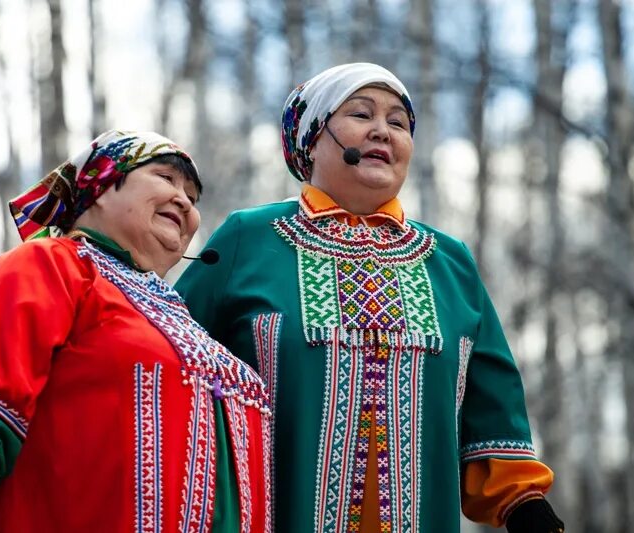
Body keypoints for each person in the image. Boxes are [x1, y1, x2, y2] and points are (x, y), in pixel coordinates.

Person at [175, 64, 564, 532]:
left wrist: (524, 504)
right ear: (313, 139)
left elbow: (492, 406)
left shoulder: (449, 262)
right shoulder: (248, 239)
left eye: (398, 122)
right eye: (361, 114)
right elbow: (172, 362)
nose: (383, 130)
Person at [0, 130, 272, 532]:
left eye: (192, 198)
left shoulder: (186, 324)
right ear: (102, 186)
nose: (184, 201)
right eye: (165, 178)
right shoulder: (54, 264)